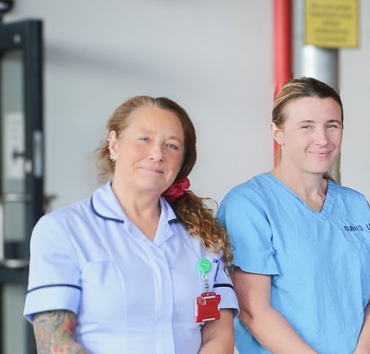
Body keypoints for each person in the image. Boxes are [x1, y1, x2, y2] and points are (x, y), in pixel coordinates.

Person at [25, 96, 237, 354]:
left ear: (181, 163)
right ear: (114, 144)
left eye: (171, 145)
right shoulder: (62, 230)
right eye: (144, 139)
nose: (157, 154)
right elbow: (54, 341)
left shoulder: (202, 236)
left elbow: (218, 331)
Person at [218, 77, 370, 354]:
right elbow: (252, 310)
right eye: (306, 127)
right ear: (278, 132)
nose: (322, 139)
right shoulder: (249, 204)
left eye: (332, 126)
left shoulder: (356, 205)